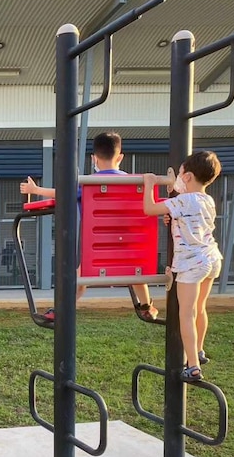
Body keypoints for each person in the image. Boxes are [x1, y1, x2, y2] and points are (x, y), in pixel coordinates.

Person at [20, 131, 159, 321]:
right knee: (137, 273)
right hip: (129, 250)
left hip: (97, 251)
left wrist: (35, 190)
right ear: (120, 157)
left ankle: (61, 310)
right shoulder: (134, 183)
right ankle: (147, 306)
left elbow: (62, 193)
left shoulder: (89, 184)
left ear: (93, 158)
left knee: (78, 278)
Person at [142, 150, 223, 382]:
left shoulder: (183, 200)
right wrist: (172, 216)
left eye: (179, 173)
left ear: (187, 176)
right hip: (211, 258)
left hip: (191, 263)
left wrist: (149, 184)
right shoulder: (208, 200)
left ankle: (193, 366)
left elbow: (149, 209)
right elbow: (189, 221)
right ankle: (199, 349)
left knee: (185, 314)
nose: (177, 177)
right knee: (200, 307)